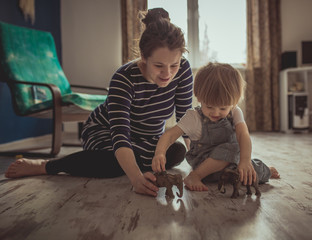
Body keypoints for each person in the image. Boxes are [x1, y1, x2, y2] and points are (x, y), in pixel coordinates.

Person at [5, 8, 193, 197]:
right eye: (159, 65)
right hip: (105, 132)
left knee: (177, 151)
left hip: (146, 139)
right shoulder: (123, 78)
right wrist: (136, 178)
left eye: (174, 65)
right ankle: (46, 166)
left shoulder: (184, 69)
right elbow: (120, 136)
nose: (168, 73)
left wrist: (199, 160)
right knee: (114, 162)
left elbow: (186, 117)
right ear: (144, 57)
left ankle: (131, 160)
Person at [152, 62, 280, 191]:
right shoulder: (194, 117)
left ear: (234, 102)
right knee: (233, 148)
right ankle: (194, 176)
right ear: (198, 96)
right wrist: (160, 153)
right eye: (209, 106)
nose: (216, 112)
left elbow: (243, 134)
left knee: (252, 172)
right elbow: (169, 135)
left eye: (223, 108)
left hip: (229, 165)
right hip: (203, 167)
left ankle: (266, 169)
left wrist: (245, 161)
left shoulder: (235, 111)